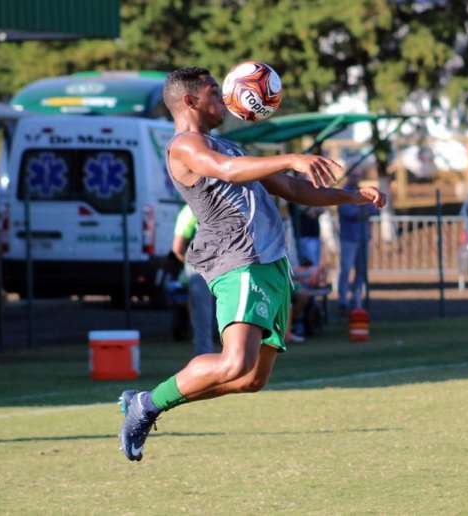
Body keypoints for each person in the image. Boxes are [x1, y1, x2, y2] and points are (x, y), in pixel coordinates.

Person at [118, 67, 386, 462]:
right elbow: (226, 172)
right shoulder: (185, 146)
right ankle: (146, 404)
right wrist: (291, 156)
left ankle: (150, 403)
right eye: (214, 92)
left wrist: (353, 197)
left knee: (251, 379)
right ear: (190, 100)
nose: (224, 99)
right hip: (238, 260)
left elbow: (293, 189)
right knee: (234, 361)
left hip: (270, 263)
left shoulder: (228, 147)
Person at [172, 204, 215, 356]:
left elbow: (177, 247)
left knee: (202, 312)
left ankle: (205, 354)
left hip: (199, 263)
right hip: (229, 260)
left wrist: (189, 262)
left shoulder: (190, 209)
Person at [337, 174, 378, 313]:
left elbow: (374, 209)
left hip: (363, 237)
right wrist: (363, 209)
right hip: (349, 238)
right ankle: (342, 299)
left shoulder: (362, 192)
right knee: (346, 269)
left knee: (361, 270)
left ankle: (357, 298)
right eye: (353, 176)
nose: (356, 178)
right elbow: (349, 212)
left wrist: (364, 209)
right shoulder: (343, 193)